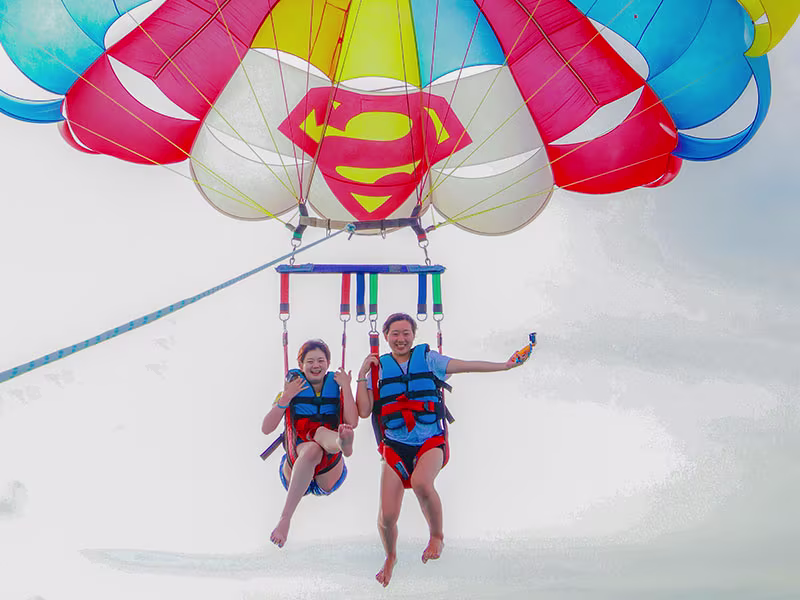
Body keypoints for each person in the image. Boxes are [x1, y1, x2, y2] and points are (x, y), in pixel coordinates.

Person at [355, 313, 526, 586]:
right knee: (387, 517)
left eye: (406, 333)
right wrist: (362, 376)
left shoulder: (430, 360)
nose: (400, 339)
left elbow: (466, 366)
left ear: (414, 335)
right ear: (385, 336)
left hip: (429, 441)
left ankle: (436, 536)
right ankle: (390, 557)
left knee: (422, 483)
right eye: (395, 334)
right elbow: (364, 411)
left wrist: (505, 366)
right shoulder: (377, 369)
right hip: (395, 447)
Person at [262, 339, 358, 548]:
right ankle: (285, 519)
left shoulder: (337, 386)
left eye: (321, 361)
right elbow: (266, 428)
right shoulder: (291, 389)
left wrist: (347, 387)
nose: (316, 365)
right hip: (299, 456)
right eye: (310, 361)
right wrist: (286, 396)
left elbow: (352, 422)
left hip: (330, 465)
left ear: (328, 363)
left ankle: (343, 443)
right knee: (313, 447)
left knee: (323, 435)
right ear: (301, 365)